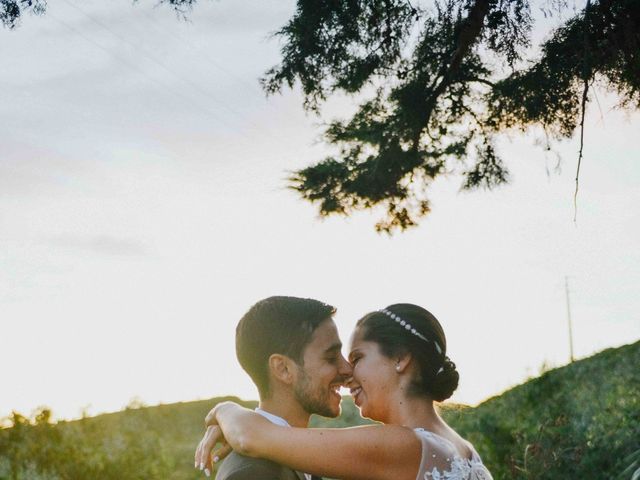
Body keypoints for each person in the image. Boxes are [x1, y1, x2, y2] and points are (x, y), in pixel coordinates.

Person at [195, 303, 493, 480]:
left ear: (401, 358)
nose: (348, 372)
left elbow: (251, 437)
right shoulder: (463, 450)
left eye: (358, 357)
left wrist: (225, 410)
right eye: (333, 357)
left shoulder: (404, 444)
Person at [199, 296, 352, 479]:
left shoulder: (302, 459)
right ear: (283, 369)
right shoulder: (251, 473)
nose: (347, 369)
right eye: (330, 357)